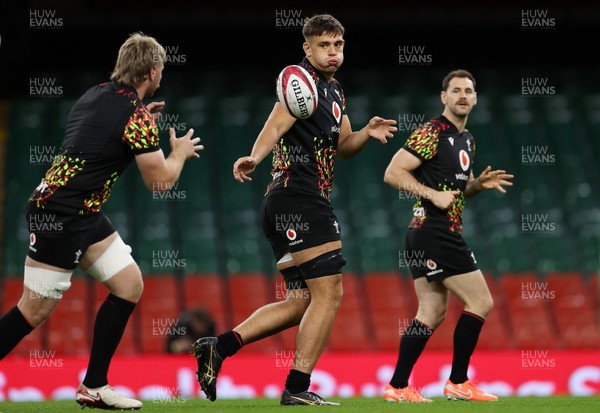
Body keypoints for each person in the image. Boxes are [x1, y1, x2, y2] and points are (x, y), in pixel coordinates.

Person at [192, 14, 397, 406]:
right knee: (330, 293)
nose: (333, 52)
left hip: (288, 202)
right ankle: (297, 388)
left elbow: (343, 146)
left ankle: (218, 348)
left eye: (338, 45)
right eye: (324, 45)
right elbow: (276, 121)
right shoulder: (299, 83)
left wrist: (366, 134)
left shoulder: (335, 91)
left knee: (302, 300)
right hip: (298, 196)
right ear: (307, 48)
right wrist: (253, 156)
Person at [0, 32, 203, 410]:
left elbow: (97, 134)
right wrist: (178, 152)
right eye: (161, 68)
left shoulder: (95, 94)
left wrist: (140, 121)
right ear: (153, 70)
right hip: (62, 214)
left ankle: (94, 385)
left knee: (129, 284)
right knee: (33, 310)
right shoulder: (135, 117)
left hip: (80, 209)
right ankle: (93, 385)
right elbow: (159, 183)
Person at [382, 69, 513, 402]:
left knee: (431, 312)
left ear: (476, 98)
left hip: (423, 234)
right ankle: (457, 381)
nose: (463, 96)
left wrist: (476, 186)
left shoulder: (467, 138)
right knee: (481, 301)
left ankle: (397, 387)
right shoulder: (431, 131)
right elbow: (393, 172)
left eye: (469, 90)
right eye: (456, 90)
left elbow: (460, 190)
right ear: (444, 97)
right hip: (434, 231)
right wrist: (431, 194)